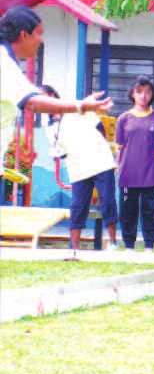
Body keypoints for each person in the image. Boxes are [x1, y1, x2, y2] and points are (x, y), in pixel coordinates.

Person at [1, 6, 113, 170]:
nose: (41, 40)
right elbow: (32, 102)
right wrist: (81, 106)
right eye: (39, 33)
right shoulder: (4, 62)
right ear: (24, 34)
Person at [40, 85, 119, 251]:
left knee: (107, 200)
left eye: (45, 97)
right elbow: (58, 146)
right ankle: (74, 248)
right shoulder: (47, 124)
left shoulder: (75, 106)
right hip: (77, 168)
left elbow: (99, 125)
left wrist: (103, 148)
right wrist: (57, 152)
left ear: (53, 96)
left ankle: (112, 243)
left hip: (101, 162)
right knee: (78, 206)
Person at [115, 76, 154, 251]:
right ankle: (129, 246)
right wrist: (118, 167)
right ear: (132, 94)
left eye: (147, 92)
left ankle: (149, 246)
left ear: (152, 95)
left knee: (149, 211)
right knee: (128, 212)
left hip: (151, 173)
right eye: (139, 92)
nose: (143, 96)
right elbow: (120, 147)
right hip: (127, 174)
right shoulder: (123, 118)